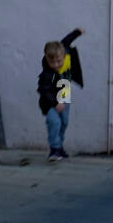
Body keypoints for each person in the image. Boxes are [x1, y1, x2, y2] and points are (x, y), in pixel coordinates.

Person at [38, 29, 83, 162]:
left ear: (63, 56)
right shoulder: (46, 74)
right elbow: (44, 91)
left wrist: (78, 32)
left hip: (64, 91)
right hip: (50, 101)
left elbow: (66, 40)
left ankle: (60, 146)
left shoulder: (65, 53)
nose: (56, 65)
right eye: (52, 63)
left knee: (64, 122)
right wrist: (56, 103)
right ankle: (54, 149)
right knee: (54, 122)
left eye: (59, 61)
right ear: (47, 59)